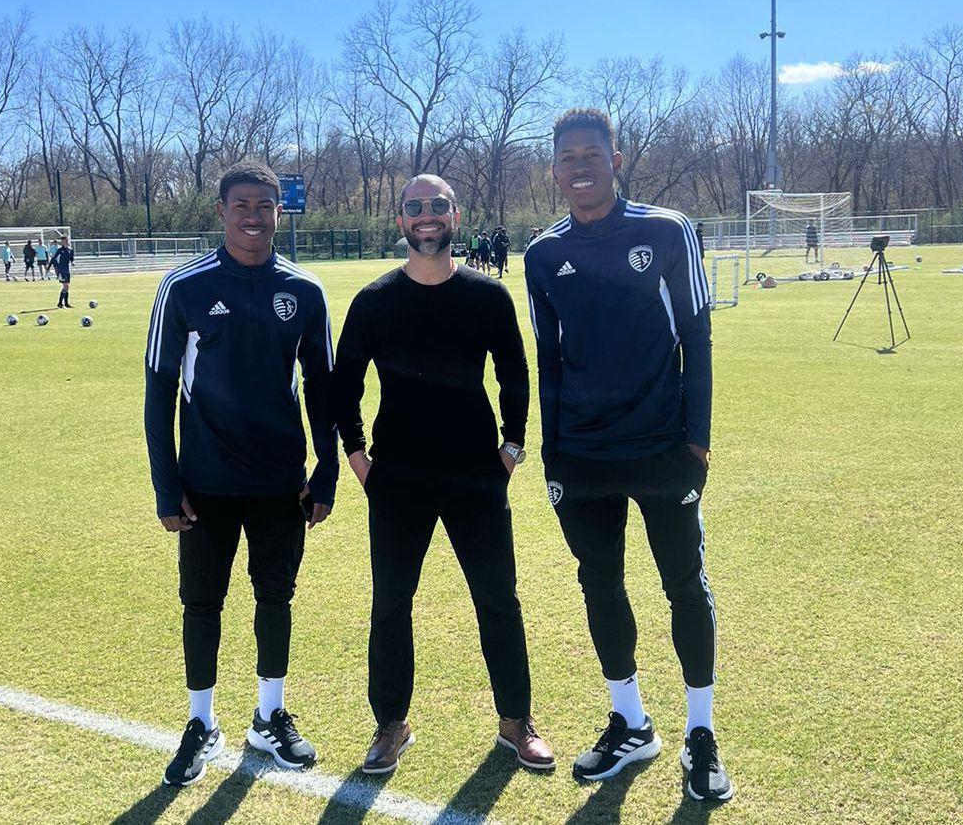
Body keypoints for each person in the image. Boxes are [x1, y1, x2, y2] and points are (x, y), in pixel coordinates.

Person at [524, 109, 732, 801]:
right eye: (566, 157)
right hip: (582, 458)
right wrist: (554, 454)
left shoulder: (666, 230)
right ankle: (631, 722)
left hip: (661, 448)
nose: (579, 166)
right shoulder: (542, 255)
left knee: (683, 584)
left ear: (617, 157)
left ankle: (700, 733)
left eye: (592, 153)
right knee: (600, 585)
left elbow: (696, 340)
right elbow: (547, 361)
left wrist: (696, 438)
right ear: (553, 169)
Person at [334, 173, 554, 776]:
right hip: (397, 477)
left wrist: (511, 448)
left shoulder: (487, 297)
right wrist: (357, 455)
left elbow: (514, 375)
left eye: (437, 206)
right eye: (414, 208)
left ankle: (515, 723)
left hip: (476, 475)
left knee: (498, 600)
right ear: (399, 219)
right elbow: (342, 385)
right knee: (391, 604)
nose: (425, 216)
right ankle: (390, 725)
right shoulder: (374, 302)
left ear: (455, 215)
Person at [145, 160, 339, 787]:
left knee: (274, 598)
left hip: (281, 483)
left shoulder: (305, 292)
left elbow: (322, 388)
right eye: (242, 206)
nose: (253, 217)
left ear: (279, 211)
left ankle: (269, 714)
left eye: (265, 205)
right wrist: (165, 484)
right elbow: (158, 393)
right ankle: (200, 723)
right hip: (204, 485)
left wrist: (327, 468)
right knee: (202, 603)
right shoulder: (184, 287)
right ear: (222, 211)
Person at [49, 237, 75, 309]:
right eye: (64, 241)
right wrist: (49, 267)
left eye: (67, 240)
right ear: (62, 242)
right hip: (61, 270)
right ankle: (60, 303)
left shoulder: (70, 250)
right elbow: (53, 258)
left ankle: (65, 303)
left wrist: (72, 262)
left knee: (67, 287)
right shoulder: (60, 250)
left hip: (66, 270)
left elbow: (72, 258)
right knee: (66, 286)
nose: (66, 242)